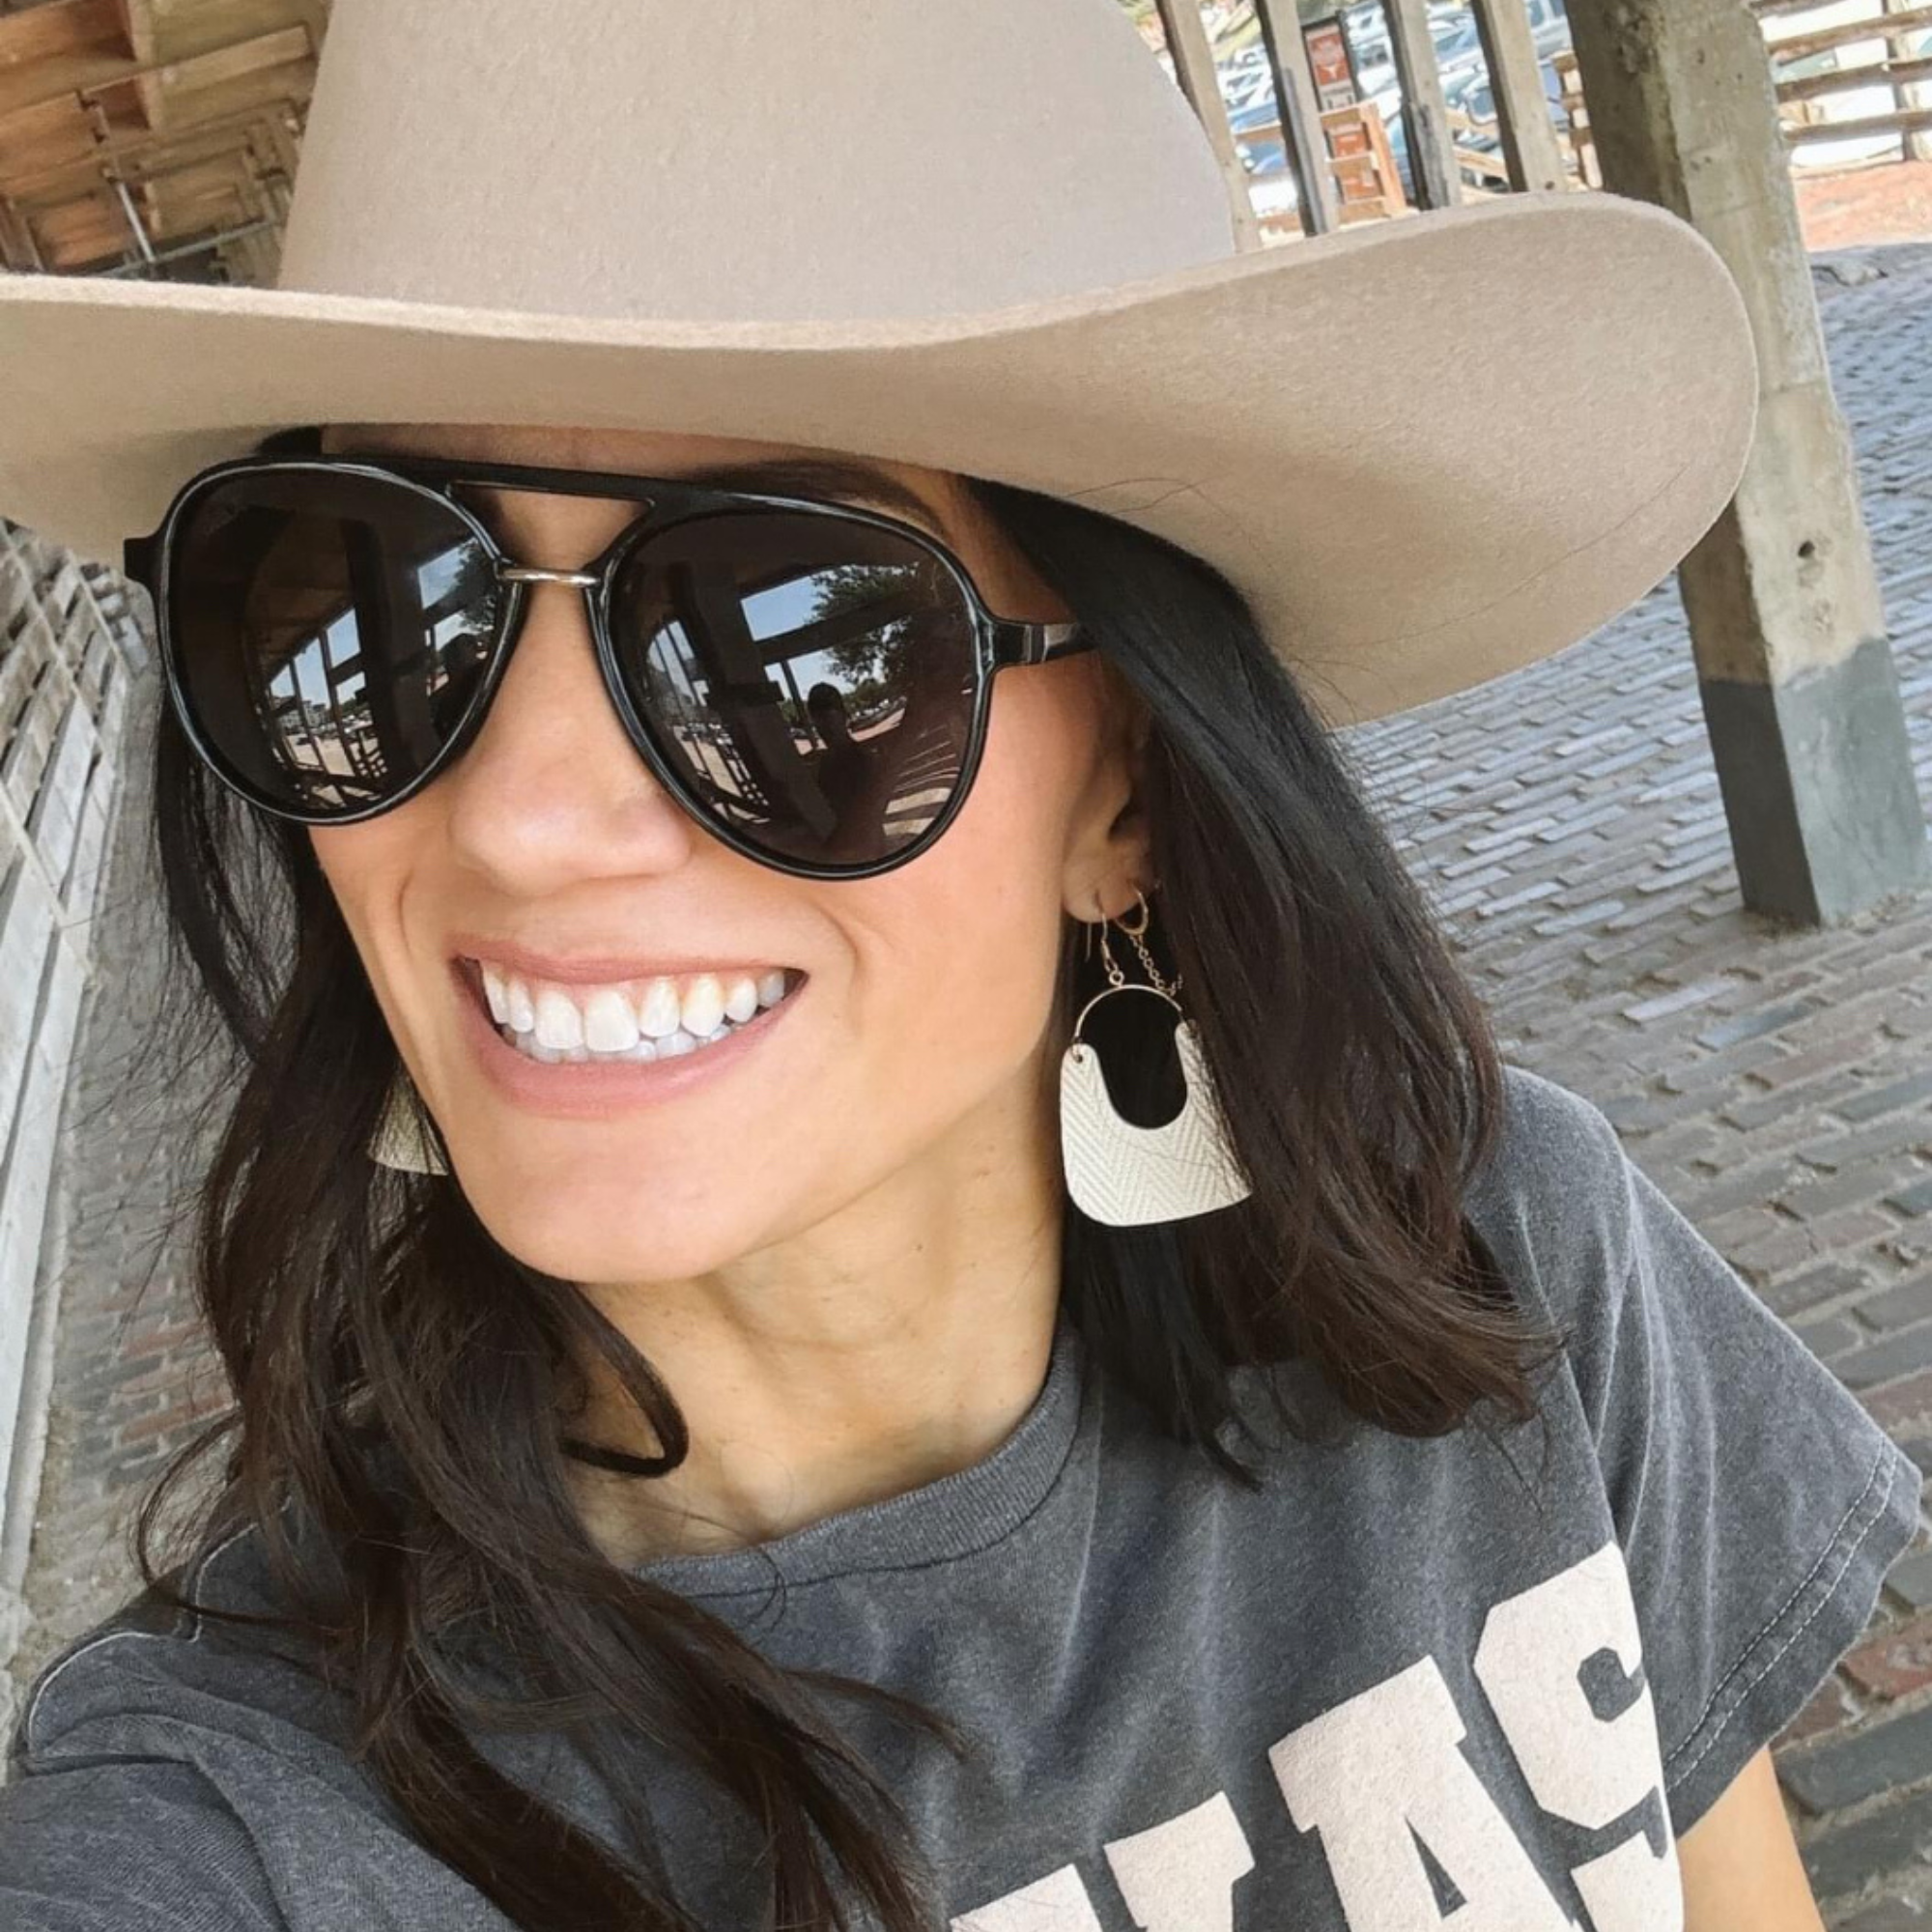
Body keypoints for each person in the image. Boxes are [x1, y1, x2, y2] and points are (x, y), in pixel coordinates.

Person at [0, 2, 1911, 1928]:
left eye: (792, 635)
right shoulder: (237, 1829)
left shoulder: (1500, 1268)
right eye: (376, 600)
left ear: (1132, 790)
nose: (513, 816)